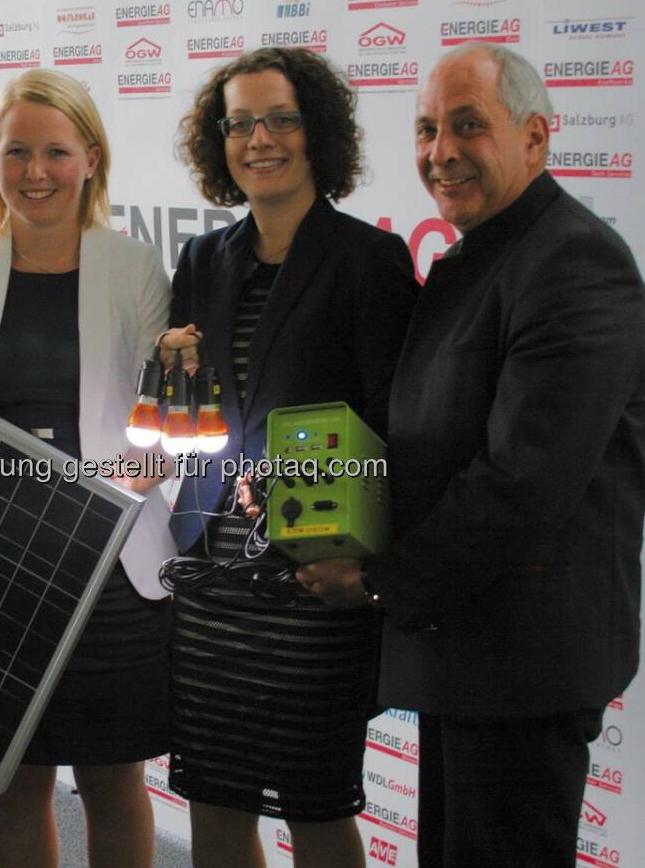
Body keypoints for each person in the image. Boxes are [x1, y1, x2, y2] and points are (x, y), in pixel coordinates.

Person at [300, 43, 645, 867]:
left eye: (468, 126)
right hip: (469, 656)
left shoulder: (573, 263)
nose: (441, 152)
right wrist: (317, 490)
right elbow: (430, 437)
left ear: (534, 137)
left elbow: (522, 484)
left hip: (521, 672)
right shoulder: (490, 253)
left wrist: (379, 579)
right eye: (427, 129)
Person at [156, 47, 417, 868]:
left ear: (317, 133)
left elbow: (394, 424)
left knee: (316, 806)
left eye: (279, 120)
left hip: (311, 579)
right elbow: (189, 408)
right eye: (239, 124)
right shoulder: (203, 259)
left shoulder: (368, 260)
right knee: (215, 800)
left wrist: (357, 556)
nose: (258, 140)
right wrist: (170, 375)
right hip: (211, 578)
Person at [0, 68, 175, 868]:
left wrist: (137, 468)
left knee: (112, 781)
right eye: (17, 152)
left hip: (113, 567)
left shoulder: (135, 268)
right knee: (13, 784)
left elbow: (164, 424)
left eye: (56, 152)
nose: (36, 172)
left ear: (91, 159)